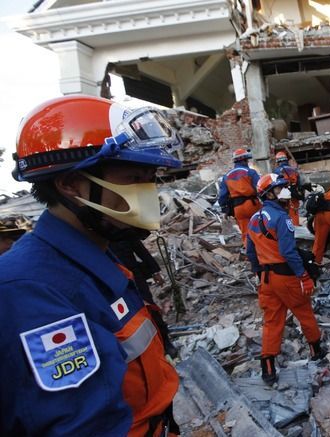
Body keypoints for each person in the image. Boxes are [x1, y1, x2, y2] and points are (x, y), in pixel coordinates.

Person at [0, 95, 182, 436]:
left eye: (151, 178)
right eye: (133, 177)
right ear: (70, 184)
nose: (149, 192)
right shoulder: (32, 296)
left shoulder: (97, 256)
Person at [246, 173, 325, 385]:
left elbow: (251, 252)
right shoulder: (282, 218)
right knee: (304, 313)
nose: (285, 191)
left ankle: (268, 368)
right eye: (280, 188)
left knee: (272, 321)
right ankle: (316, 351)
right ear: (269, 194)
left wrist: (259, 274)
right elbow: (288, 252)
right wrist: (304, 276)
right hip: (286, 277)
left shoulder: (254, 219)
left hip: (267, 279)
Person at [109, 239, 178, 357]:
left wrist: (155, 271)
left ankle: (165, 342)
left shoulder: (119, 231)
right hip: (113, 281)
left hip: (134, 276)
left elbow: (139, 248)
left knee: (149, 308)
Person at [218, 148, 261, 248]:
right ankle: (262, 253)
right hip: (252, 205)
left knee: (246, 233)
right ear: (245, 160)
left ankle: (250, 254)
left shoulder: (226, 176)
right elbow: (260, 188)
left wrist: (224, 209)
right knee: (259, 229)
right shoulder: (250, 172)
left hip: (238, 208)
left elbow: (222, 196)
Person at [272, 151, 306, 226]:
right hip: (294, 195)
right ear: (286, 160)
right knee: (294, 214)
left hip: (282, 197)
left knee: (283, 215)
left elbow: (274, 185)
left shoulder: (276, 172)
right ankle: (296, 231)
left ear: (277, 161)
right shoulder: (294, 170)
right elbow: (300, 183)